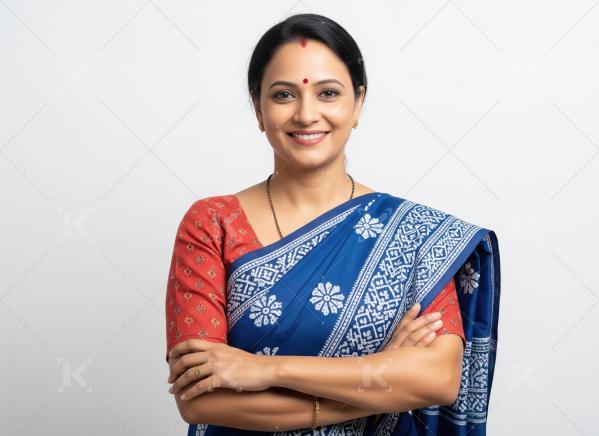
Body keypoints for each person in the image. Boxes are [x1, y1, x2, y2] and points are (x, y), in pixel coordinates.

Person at [164, 13, 500, 435]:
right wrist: (379, 377)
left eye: (328, 93)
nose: (307, 114)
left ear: (358, 104)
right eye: (284, 95)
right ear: (257, 108)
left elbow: (435, 379)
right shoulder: (212, 224)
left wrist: (266, 369)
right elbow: (200, 399)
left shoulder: (414, 234)